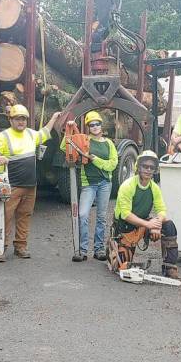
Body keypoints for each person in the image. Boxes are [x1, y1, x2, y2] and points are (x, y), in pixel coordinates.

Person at [0, 105, 60, 262]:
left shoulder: (31, 134)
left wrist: (53, 118)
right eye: (17, 119)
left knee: (24, 216)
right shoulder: (3, 136)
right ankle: (0, 249)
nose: (21, 122)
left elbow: (45, 132)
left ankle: (20, 246)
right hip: (10, 186)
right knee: (5, 217)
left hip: (30, 186)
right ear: (11, 120)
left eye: (23, 119)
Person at [106, 150, 179, 279]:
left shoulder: (154, 188)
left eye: (152, 167)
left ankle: (170, 267)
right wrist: (149, 224)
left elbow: (162, 210)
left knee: (169, 225)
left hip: (143, 224)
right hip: (125, 228)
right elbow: (125, 215)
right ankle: (112, 249)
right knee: (120, 267)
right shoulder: (128, 186)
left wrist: (156, 225)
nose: (148, 170)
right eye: (145, 166)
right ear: (138, 167)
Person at [61, 111, 118, 262]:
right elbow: (65, 146)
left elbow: (112, 164)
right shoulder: (83, 140)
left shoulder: (109, 143)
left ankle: (99, 249)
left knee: (101, 217)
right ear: (88, 127)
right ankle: (82, 250)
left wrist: (94, 159)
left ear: (101, 125)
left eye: (97, 124)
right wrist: (69, 128)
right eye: (91, 125)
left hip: (105, 183)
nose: (94, 127)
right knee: (83, 215)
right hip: (89, 185)